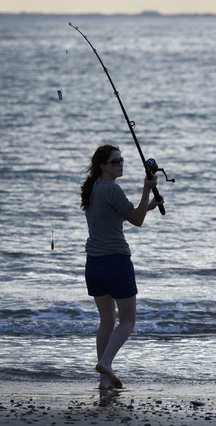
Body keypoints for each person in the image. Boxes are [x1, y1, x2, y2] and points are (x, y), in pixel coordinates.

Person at [81, 144, 164, 389]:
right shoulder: (113, 189)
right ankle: (105, 362)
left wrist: (146, 205)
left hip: (94, 265)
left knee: (106, 322)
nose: (121, 164)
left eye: (122, 160)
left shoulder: (93, 189)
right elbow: (136, 221)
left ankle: (103, 382)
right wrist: (147, 189)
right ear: (103, 166)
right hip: (116, 262)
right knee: (128, 320)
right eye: (115, 161)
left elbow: (121, 215)